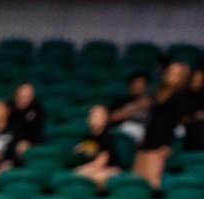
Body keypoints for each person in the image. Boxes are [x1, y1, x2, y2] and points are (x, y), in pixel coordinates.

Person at [134, 63, 193, 191]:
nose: (170, 74)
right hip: (149, 138)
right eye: (170, 71)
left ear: (181, 77)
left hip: (160, 142)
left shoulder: (179, 96)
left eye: (175, 73)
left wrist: (166, 145)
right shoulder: (159, 93)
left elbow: (171, 122)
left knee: (152, 181)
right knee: (137, 179)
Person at [71, 104, 123, 187]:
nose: (95, 118)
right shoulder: (87, 137)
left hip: (111, 169)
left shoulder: (107, 137)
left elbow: (101, 162)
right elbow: (78, 151)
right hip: (94, 168)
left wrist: (82, 170)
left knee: (96, 177)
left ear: (105, 118)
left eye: (99, 116)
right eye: (93, 115)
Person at [8, 82, 46, 155]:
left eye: (29, 97)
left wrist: (29, 143)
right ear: (16, 96)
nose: (26, 100)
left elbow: (38, 133)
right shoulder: (8, 108)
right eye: (22, 97)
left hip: (28, 143)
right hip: (9, 140)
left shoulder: (37, 108)